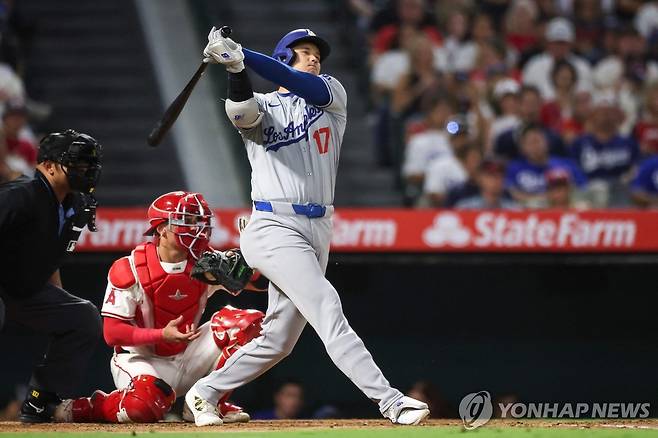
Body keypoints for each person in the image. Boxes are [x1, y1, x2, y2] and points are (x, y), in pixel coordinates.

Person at [184, 27, 430, 427]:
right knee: (326, 305)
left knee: (279, 340)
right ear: (283, 58)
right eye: (303, 52)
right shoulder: (262, 104)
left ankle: (205, 391)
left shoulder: (331, 95)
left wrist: (241, 53)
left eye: (317, 52)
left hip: (319, 226)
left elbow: (299, 84)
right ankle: (390, 401)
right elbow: (241, 109)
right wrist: (235, 67)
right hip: (272, 224)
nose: (314, 58)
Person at [53, 191, 268, 424]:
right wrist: (162, 334)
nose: (198, 229)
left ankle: (211, 400)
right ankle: (83, 408)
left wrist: (252, 255)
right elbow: (112, 333)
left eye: (200, 221)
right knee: (141, 408)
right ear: (162, 228)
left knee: (249, 324)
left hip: (188, 353)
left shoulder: (206, 260)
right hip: (140, 359)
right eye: (188, 221)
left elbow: (261, 284)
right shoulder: (131, 267)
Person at [0, 129, 103, 422]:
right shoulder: (19, 195)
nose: (86, 170)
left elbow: (51, 257)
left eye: (89, 164)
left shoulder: (75, 204)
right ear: (47, 165)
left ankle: (40, 401)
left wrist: (57, 303)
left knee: (82, 317)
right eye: (77, 163)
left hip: (25, 288)